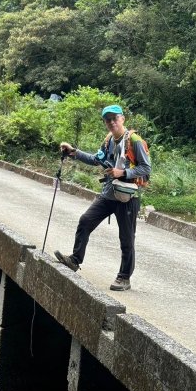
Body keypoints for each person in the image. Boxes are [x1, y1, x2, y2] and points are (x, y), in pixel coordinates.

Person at [54, 104, 151, 291]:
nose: (112, 122)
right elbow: (96, 159)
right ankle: (75, 260)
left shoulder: (135, 140)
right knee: (85, 221)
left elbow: (146, 169)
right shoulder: (108, 140)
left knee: (127, 238)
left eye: (115, 118)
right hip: (108, 194)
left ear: (122, 118)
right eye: (108, 120)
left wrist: (122, 172)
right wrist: (73, 152)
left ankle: (124, 278)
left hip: (127, 197)